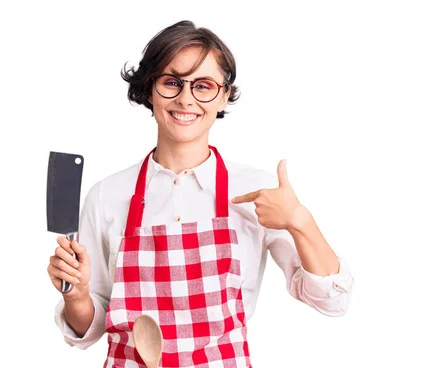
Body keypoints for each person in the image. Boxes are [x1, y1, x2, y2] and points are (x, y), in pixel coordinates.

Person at [47, 20, 354, 368]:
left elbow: (332, 302)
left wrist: (300, 221)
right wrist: (78, 295)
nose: (185, 98)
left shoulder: (255, 191)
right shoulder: (108, 195)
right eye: (172, 82)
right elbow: (89, 328)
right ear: (149, 89)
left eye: (203, 86)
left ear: (223, 95)